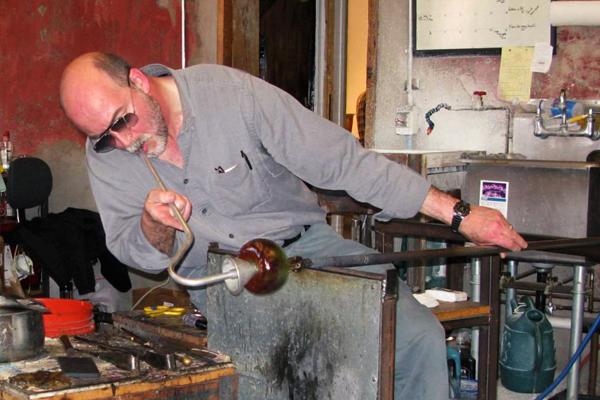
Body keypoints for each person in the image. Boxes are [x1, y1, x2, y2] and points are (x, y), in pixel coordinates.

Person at [59, 52, 527, 399]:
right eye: (104, 137)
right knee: (278, 376)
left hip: (308, 250)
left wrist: (459, 214)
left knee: (416, 338)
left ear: (139, 81)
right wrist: (153, 225)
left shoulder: (231, 95)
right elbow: (137, 253)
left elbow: (342, 161)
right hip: (224, 280)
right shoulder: (108, 155)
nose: (124, 141)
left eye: (123, 120)